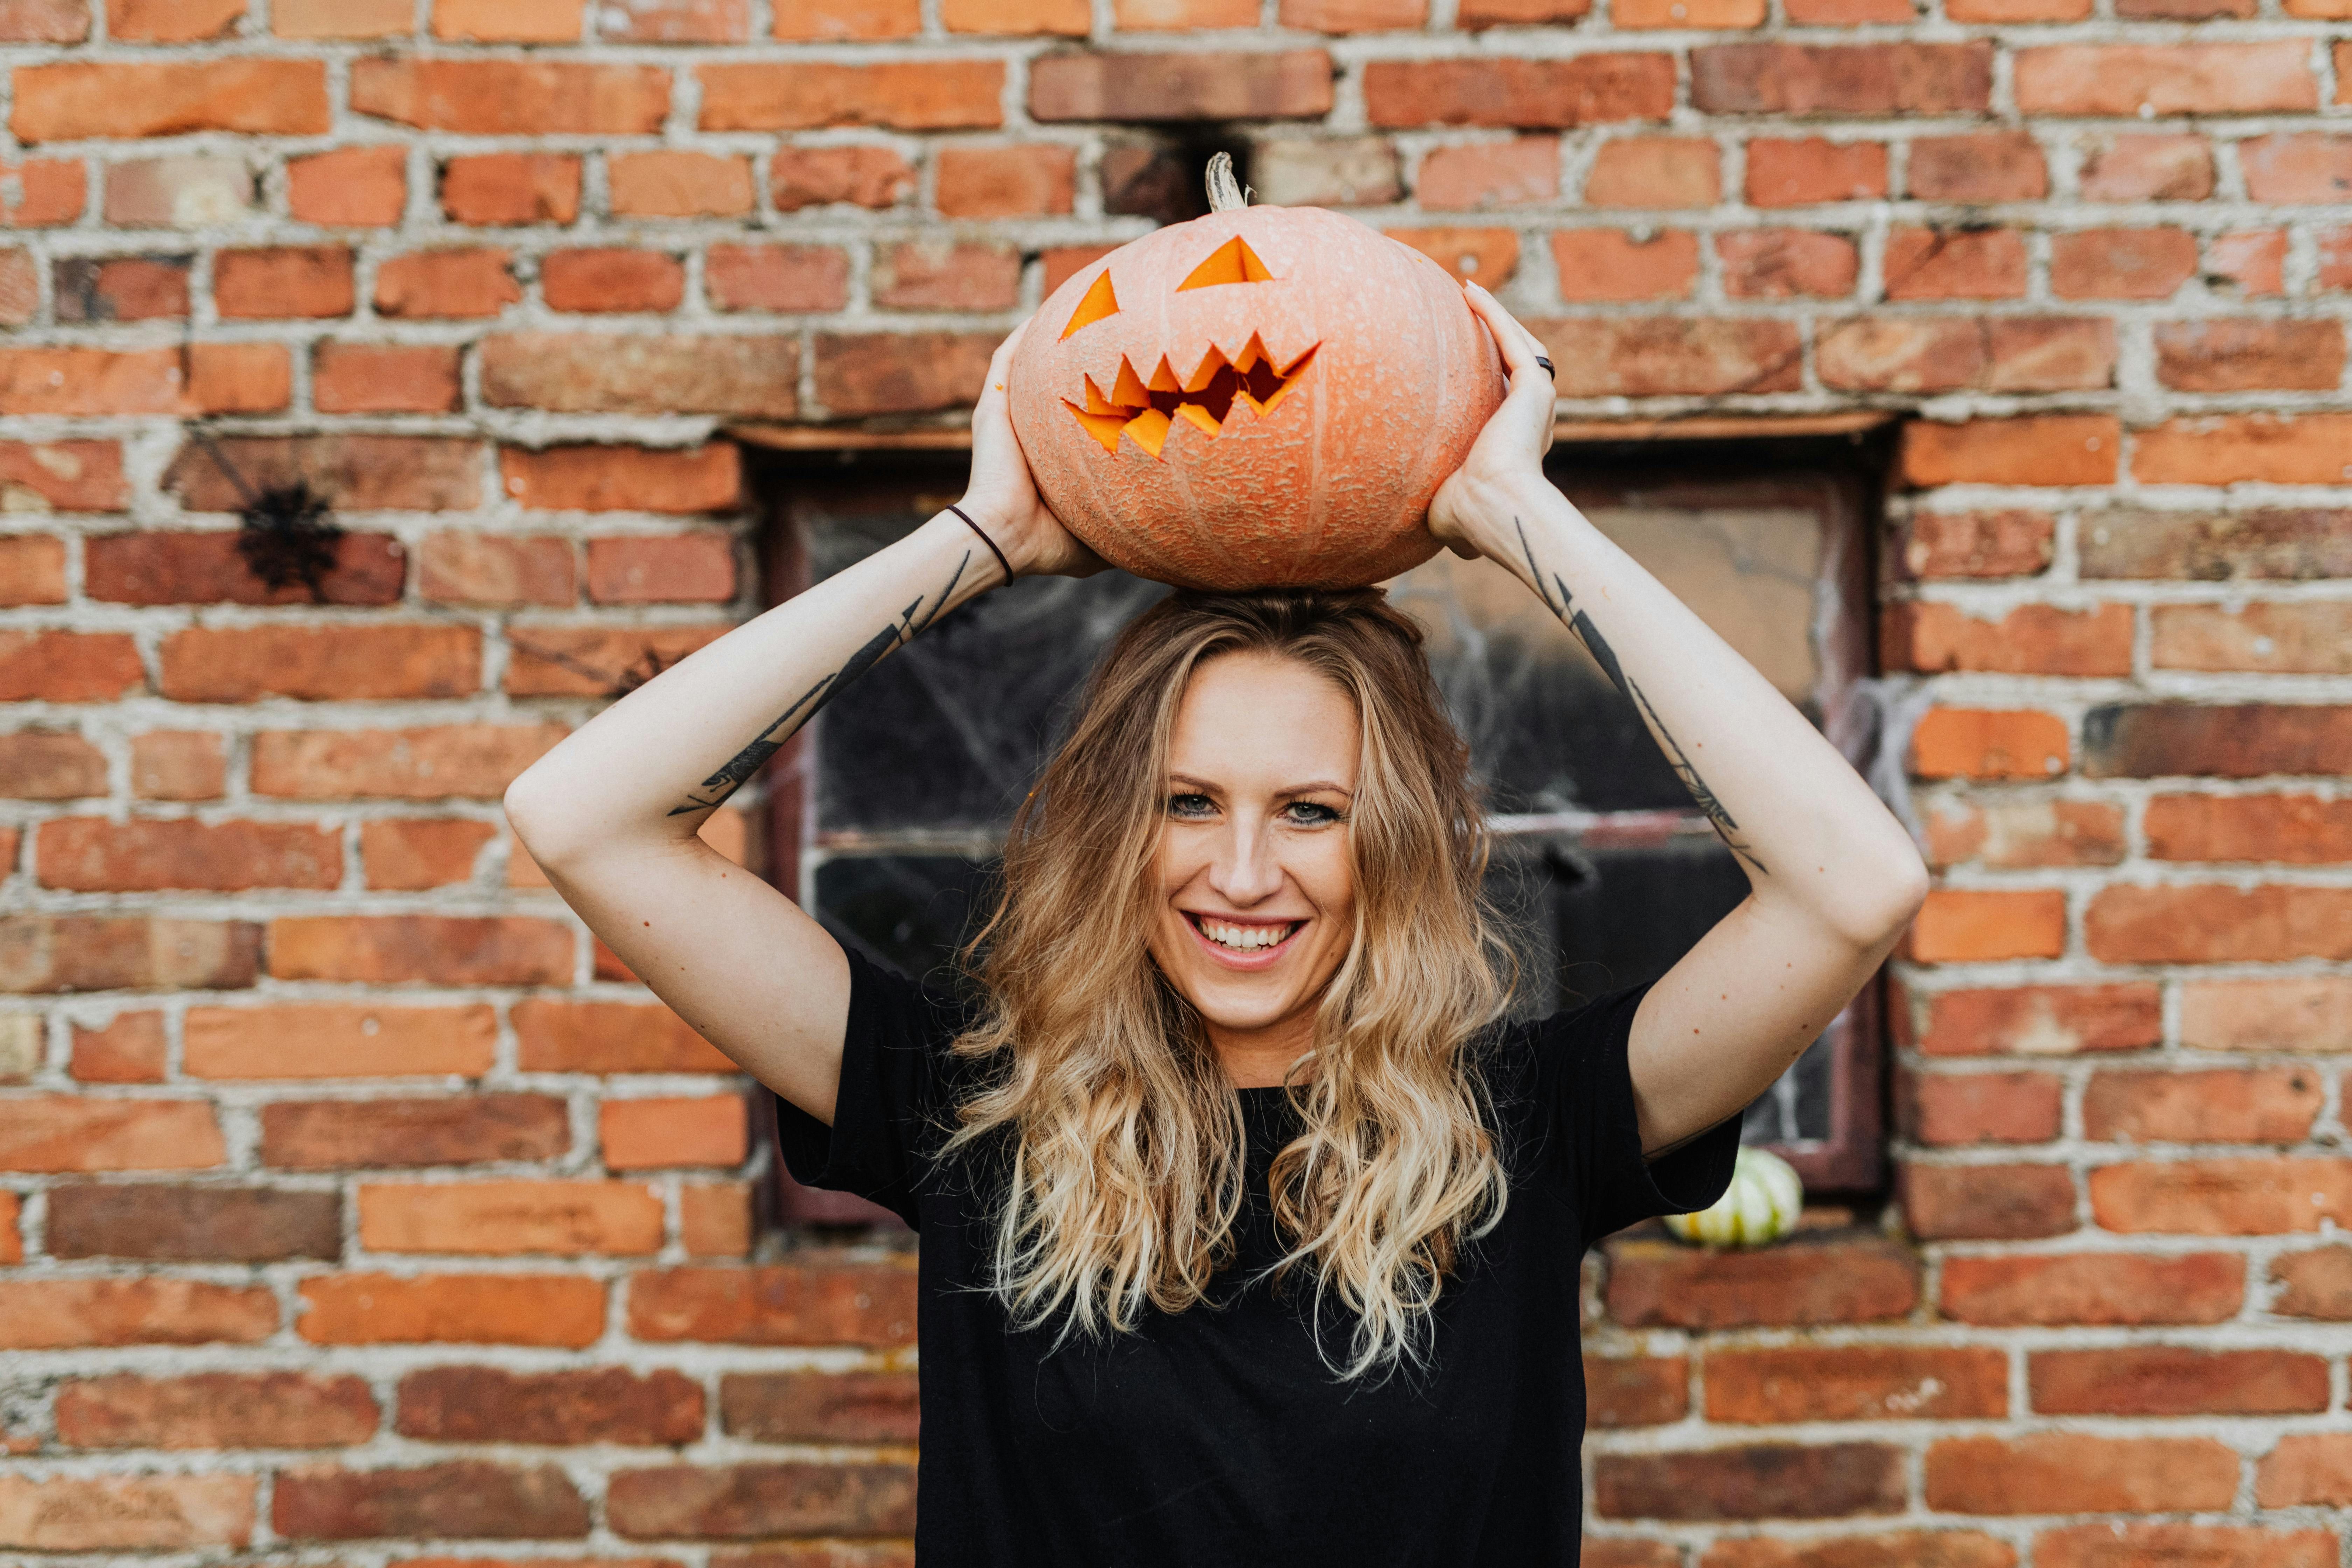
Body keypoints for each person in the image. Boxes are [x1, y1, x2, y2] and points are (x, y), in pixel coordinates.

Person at [504, 284, 1929, 1565]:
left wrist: (1517, 519)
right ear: (1120, 828)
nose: (1242, 871)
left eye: (1312, 812)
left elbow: (1853, 883)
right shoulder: (974, 1108)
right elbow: (586, 816)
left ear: (1393, 844)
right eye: (1189, 802)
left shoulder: (1526, 1128)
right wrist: (981, 538)